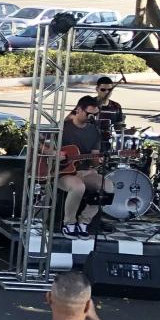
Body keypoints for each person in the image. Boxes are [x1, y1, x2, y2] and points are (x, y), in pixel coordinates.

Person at [59, 95, 111, 237]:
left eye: (95, 115)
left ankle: (84, 222)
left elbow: (94, 156)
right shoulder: (62, 128)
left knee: (107, 186)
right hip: (63, 172)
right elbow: (41, 144)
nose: (92, 117)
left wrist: (98, 160)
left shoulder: (94, 131)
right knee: (78, 187)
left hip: (86, 171)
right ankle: (69, 223)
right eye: (89, 114)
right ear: (79, 110)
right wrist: (54, 153)